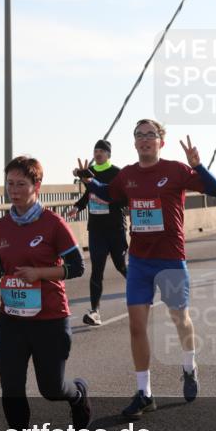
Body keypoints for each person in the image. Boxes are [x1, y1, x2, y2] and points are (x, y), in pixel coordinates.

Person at [73, 120, 216, 419]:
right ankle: (144, 393)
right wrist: (88, 179)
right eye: (139, 135)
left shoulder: (176, 170)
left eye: (150, 135)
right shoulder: (128, 175)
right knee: (136, 326)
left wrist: (198, 165)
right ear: (134, 143)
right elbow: (109, 193)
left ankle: (189, 365)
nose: (144, 139)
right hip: (140, 261)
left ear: (160, 142)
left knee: (180, 319)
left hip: (170, 259)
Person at [0, 156, 91, 431]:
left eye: (21, 184)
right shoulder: (0, 227)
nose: (14, 190)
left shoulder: (53, 224)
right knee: (11, 388)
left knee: (51, 389)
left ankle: (77, 395)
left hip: (49, 319)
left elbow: (77, 267)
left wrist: (40, 273)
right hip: (11, 320)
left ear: (36, 186)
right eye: (10, 184)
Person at [67, 140, 128, 326]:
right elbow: (88, 195)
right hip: (96, 229)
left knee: (120, 265)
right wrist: (77, 207)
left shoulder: (117, 173)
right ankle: (95, 312)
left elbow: (124, 199)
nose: (98, 153)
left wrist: (107, 197)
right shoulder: (89, 172)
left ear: (109, 154)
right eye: (96, 150)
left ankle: (142, 289)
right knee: (97, 270)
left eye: (102, 151)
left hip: (115, 228)